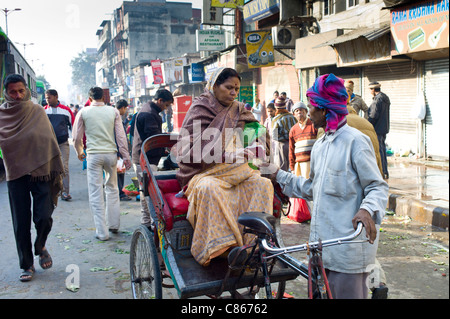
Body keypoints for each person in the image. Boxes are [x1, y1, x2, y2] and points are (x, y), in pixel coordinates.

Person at [259, 73, 388, 299]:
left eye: (312, 107)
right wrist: (278, 175)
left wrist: (367, 209)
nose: (308, 112)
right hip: (320, 248)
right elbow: (311, 188)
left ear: (325, 109)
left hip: (348, 251)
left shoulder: (355, 141)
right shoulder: (320, 145)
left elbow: (377, 187)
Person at [176, 67, 273, 266]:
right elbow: (188, 149)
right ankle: (223, 249)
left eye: (236, 89)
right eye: (229, 87)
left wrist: (258, 145)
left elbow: (259, 132)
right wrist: (227, 154)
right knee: (209, 189)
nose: (233, 93)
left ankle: (254, 244)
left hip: (238, 172)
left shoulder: (238, 109)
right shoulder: (199, 109)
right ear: (214, 86)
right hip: (204, 173)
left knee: (262, 184)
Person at [0, 74, 64, 282]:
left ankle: (41, 244)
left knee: (44, 216)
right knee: (21, 221)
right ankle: (26, 264)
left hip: (41, 171)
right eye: (12, 92)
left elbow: (49, 140)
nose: (17, 96)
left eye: (21, 91)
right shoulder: (1, 115)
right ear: (5, 93)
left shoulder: (37, 111)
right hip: (15, 173)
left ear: (26, 90)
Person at [72, 87, 131, 241]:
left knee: (95, 192)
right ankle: (114, 225)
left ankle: (102, 232)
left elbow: (76, 137)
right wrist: (125, 156)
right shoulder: (113, 111)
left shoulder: (83, 112)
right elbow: (121, 136)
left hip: (93, 155)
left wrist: (79, 151)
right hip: (110, 155)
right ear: (104, 97)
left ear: (90, 98)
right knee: (112, 189)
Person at [131, 89, 173, 228]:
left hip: (144, 157)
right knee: (148, 193)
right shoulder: (149, 114)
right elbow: (154, 139)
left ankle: (147, 222)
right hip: (145, 159)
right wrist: (167, 147)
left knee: (146, 192)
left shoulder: (148, 109)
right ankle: (150, 224)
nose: (166, 109)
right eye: (166, 105)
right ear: (160, 101)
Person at [287, 102, 318, 222]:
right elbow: (291, 149)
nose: (300, 113)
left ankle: (316, 215)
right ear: (294, 114)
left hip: (312, 163)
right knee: (304, 190)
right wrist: (292, 166)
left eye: (302, 110)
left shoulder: (313, 125)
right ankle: (307, 215)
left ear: (306, 112)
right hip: (299, 165)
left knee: (314, 188)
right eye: (297, 111)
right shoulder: (293, 130)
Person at [44, 89, 75, 201]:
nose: (47, 100)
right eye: (46, 98)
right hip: (49, 144)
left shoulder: (66, 111)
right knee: (50, 169)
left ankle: (65, 192)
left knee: (64, 167)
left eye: (49, 98)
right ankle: (52, 192)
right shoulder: (43, 111)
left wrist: (76, 142)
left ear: (56, 97)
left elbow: (73, 126)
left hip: (63, 143)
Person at [368, 81, 390, 179]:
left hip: (377, 129)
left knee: (379, 151)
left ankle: (382, 172)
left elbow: (373, 115)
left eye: (370, 89)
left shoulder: (377, 100)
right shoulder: (385, 98)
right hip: (384, 128)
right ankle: (385, 171)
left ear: (373, 89)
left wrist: (368, 124)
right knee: (382, 150)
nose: (370, 92)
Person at [271, 96, 297, 171]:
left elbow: (275, 136)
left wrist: (284, 138)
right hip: (293, 144)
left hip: (281, 145)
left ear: (276, 107)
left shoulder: (275, 119)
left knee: (282, 167)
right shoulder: (292, 117)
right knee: (292, 166)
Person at [115, 99, 132, 201]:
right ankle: (120, 193)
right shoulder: (116, 118)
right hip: (118, 150)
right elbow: (117, 137)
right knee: (119, 172)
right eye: (125, 109)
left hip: (118, 150)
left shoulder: (118, 117)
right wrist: (119, 152)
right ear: (122, 108)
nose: (126, 111)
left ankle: (120, 192)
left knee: (120, 171)